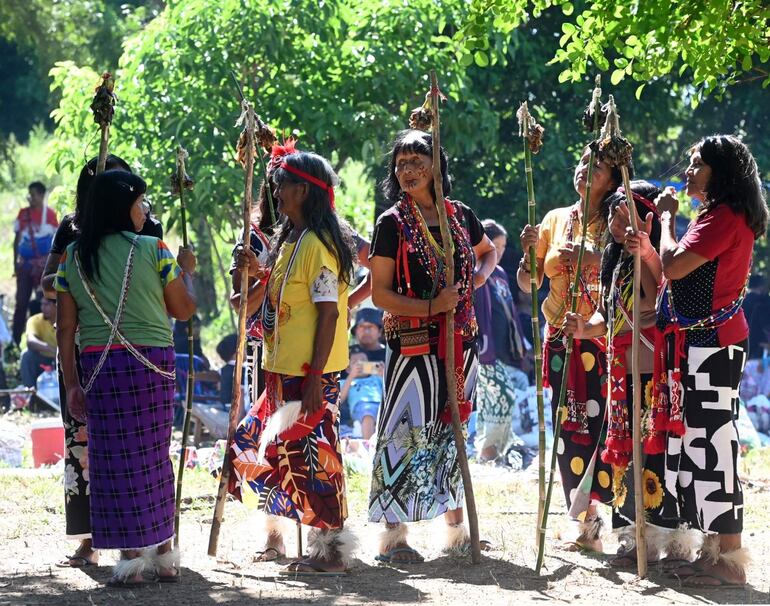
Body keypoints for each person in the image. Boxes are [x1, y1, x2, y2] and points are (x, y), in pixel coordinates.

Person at [55, 170, 196, 586]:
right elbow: (184, 310)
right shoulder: (155, 249)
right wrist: (187, 271)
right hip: (151, 365)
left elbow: (65, 329)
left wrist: (71, 383)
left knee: (113, 460)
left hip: (99, 368)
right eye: (140, 203)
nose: (144, 210)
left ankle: (131, 559)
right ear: (122, 206)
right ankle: (166, 556)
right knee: (153, 457)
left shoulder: (72, 256)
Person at [367, 129, 497, 563]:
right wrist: (430, 305)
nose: (407, 170)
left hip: (461, 343)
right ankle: (394, 536)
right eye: (400, 163)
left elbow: (487, 252)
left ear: (437, 165)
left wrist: (476, 279)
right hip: (413, 346)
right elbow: (379, 294)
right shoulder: (391, 223)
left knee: (452, 430)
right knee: (403, 434)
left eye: (417, 161)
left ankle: (457, 531)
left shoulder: (460, 214)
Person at [229, 151, 357, 575]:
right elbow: (275, 303)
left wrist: (317, 376)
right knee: (274, 453)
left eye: (283, 184)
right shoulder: (292, 241)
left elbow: (329, 314)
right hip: (283, 371)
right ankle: (314, 544)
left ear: (303, 191)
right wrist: (255, 273)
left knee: (318, 459)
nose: (277, 192)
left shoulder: (317, 246)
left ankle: (332, 552)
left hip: (309, 375)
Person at [654, 135, 768, 586]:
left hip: (714, 345)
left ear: (721, 172)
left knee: (715, 444)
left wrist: (665, 219)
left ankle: (730, 558)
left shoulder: (725, 216)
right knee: (700, 444)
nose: (687, 172)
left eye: (697, 164)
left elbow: (673, 265)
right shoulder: (720, 214)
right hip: (704, 343)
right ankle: (715, 549)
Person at [42, 155, 164, 570]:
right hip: (80, 345)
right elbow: (49, 278)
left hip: (133, 347)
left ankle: (150, 541)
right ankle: (91, 536)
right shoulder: (72, 230)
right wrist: (71, 278)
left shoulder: (147, 228)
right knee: (84, 441)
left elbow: (163, 288)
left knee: (138, 443)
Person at [564, 181, 684, 567]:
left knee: (652, 456)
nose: (618, 223)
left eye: (627, 215)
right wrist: (584, 329)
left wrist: (647, 250)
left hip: (651, 374)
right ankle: (632, 539)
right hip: (620, 372)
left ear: (647, 218)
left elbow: (662, 285)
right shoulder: (614, 259)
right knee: (625, 456)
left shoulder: (650, 256)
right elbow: (607, 316)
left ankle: (663, 540)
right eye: (614, 214)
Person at [517, 146, 625, 551]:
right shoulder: (554, 219)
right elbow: (528, 285)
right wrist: (528, 261)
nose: (583, 171)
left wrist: (590, 256)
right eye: (581, 163)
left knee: (605, 426)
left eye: (595, 167)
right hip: (560, 339)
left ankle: (622, 521)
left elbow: (625, 267)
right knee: (568, 428)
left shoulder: (618, 219)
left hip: (603, 340)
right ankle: (586, 523)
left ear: (613, 180)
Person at [473, 220, 530, 463]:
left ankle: (488, 452)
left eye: (504, 247)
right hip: (486, 349)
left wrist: (523, 347)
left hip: (507, 349)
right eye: (495, 247)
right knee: (502, 395)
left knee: (493, 398)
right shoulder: (477, 273)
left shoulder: (501, 274)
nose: (501, 252)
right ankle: (489, 450)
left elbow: (511, 312)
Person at [13, 181, 58, 344]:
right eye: (29, 194)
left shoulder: (51, 216)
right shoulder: (23, 215)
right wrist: (15, 265)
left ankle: (45, 340)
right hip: (25, 266)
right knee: (21, 303)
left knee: (44, 301)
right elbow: (16, 241)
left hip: (44, 268)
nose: (30, 198)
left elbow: (56, 244)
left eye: (33, 194)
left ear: (41, 195)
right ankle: (15, 343)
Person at [339, 347, 383, 440]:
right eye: (355, 362)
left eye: (363, 361)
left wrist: (383, 374)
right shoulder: (347, 381)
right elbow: (340, 399)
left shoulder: (376, 378)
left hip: (381, 405)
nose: (360, 365)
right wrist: (351, 376)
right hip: (361, 407)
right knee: (368, 414)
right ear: (348, 369)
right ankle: (369, 444)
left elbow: (388, 391)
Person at [19, 296, 57, 387]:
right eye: (42, 304)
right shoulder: (35, 320)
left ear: (57, 305)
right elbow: (30, 341)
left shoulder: (66, 319)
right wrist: (50, 348)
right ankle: (30, 394)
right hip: (43, 360)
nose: (43, 308)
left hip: (64, 361)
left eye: (47, 304)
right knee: (27, 356)